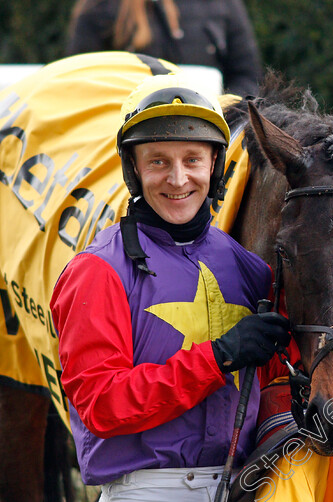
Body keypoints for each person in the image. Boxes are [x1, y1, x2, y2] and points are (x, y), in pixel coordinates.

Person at [50, 74, 291, 500]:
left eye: (192, 160)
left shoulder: (252, 270)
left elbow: (283, 381)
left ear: (214, 165)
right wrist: (219, 356)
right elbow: (102, 405)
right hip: (145, 490)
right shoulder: (97, 271)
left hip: (247, 486)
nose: (178, 179)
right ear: (134, 168)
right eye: (158, 161)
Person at [66, 0, 263, 97]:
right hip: (128, 138)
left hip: (208, 135)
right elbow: (82, 81)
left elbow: (248, 77)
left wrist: (225, 110)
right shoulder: (100, 7)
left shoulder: (221, 4)